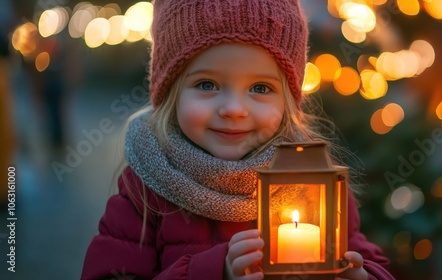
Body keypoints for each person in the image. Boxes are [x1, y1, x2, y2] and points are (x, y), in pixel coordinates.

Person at [82, 0, 395, 279]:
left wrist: (363, 275)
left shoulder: (313, 178)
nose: (233, 109)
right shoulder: (147, 188)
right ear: (170, 93)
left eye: (260, 88)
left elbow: (366, 257)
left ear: (287, 100)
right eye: (207, 84)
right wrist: (213, 271)